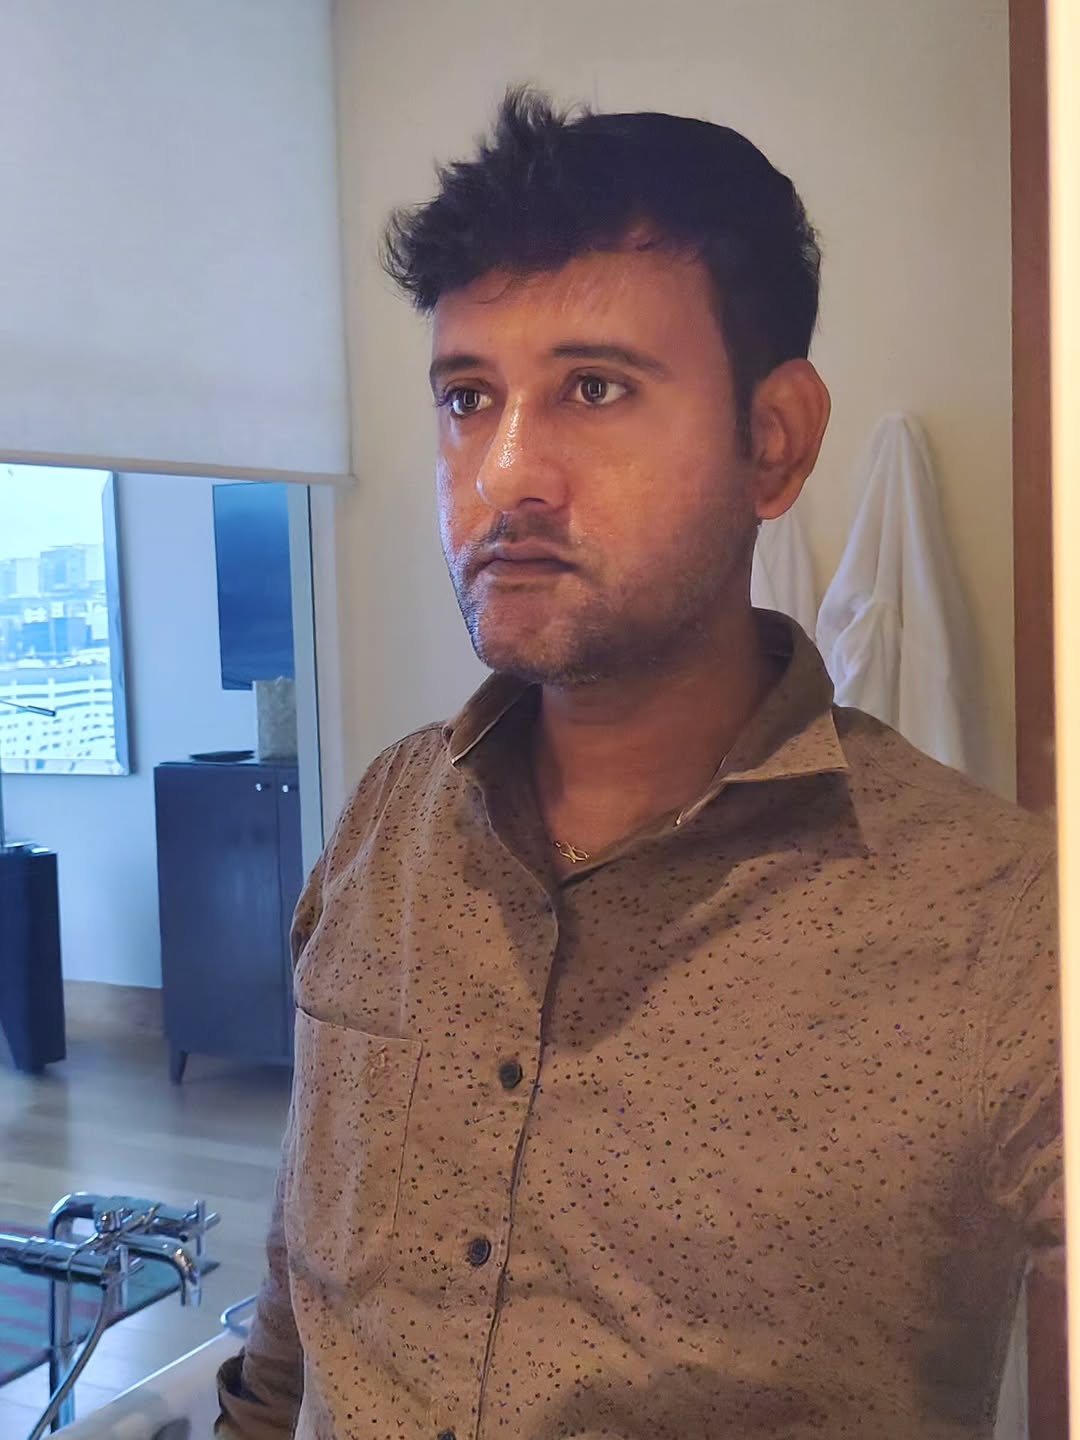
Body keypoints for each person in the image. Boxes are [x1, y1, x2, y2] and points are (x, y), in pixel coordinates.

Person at [216, 89, 1064, 1439]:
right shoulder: (384, 821)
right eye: (467, 398)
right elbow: (296, 1309)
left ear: (774, 440)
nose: (505, 473)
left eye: (594, 389)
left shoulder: (1004, 924)